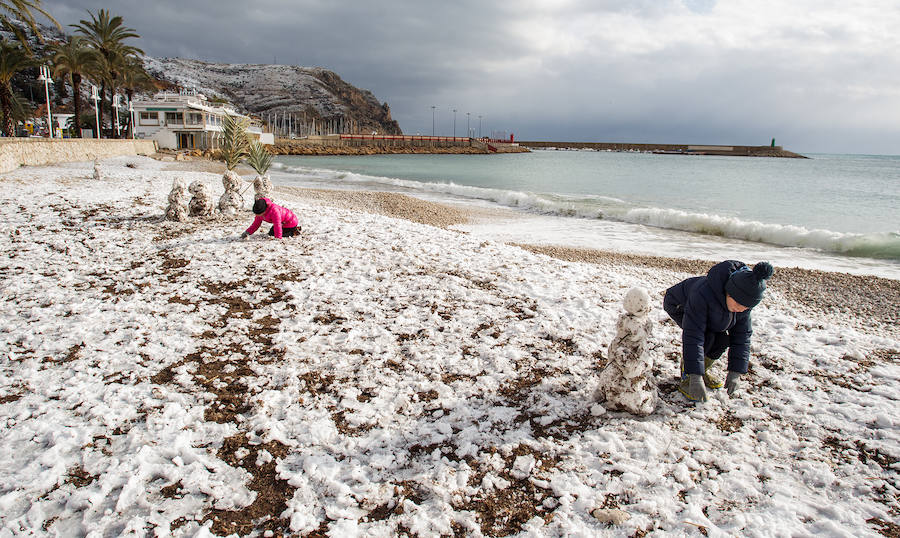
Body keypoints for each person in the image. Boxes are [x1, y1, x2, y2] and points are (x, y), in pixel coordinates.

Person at [663, 260, 774, 402]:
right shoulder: (702, 294)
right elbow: (693, 336)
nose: (741, 309)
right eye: (739, 304)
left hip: (713, 310)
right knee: (706, 337)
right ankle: (688, 378)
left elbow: (742, 337)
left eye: (747, 307)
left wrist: (736, 372)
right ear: (729, 293)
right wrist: (695, 376)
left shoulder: (742, 306)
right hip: (678, 304)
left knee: (722, 341)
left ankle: (703, 370)